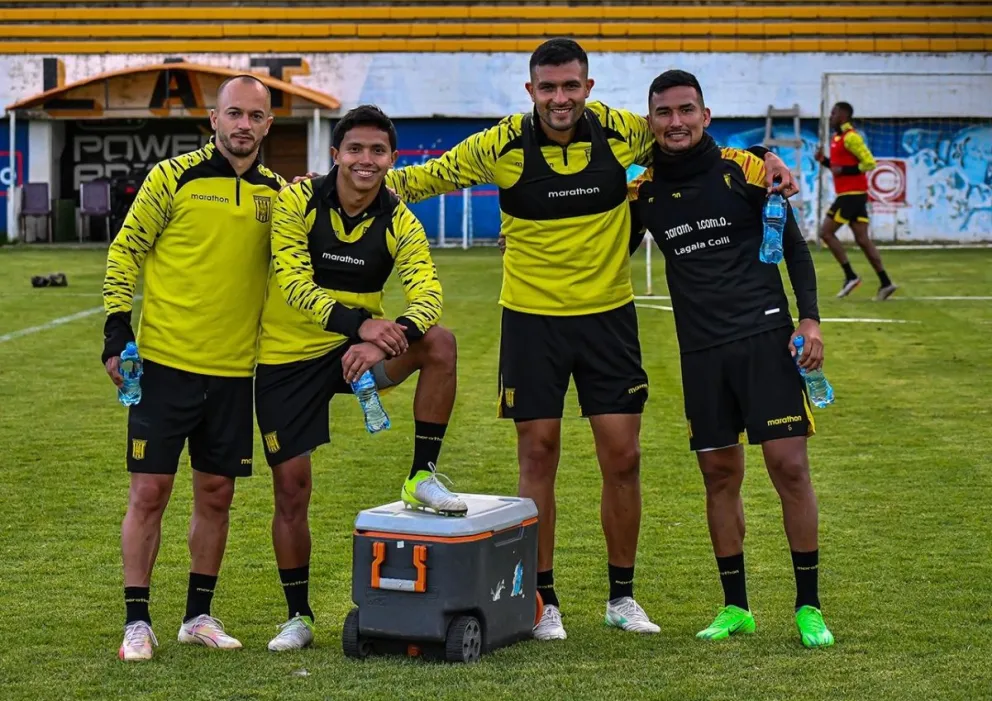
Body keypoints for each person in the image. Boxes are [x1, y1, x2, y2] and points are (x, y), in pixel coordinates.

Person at [383, 38, 797, 641]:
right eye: (548, 88)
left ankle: (621, 597)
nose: (560, 98)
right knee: (539, 456)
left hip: (609, 320)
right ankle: (542, 600)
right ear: (531, 92)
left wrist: (766, 155)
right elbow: (421, 180)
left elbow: (693, 143)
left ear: (589, 87)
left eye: (571, 86)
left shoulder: (623, 132)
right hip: (531, 322)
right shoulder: (498, 144)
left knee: (623, 458)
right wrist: (343, 176)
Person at [628, 70, 835, 648]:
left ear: (705, 115)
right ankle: (736, 606)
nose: (676, 121)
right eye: (664, 112)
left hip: (765, 342)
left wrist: (810, 319)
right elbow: (602, 245)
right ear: (651, 121)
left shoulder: (747, 168)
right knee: (719, 476)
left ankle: (808, 607)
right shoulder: (642, 191)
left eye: (686, 110)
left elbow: (793, 245)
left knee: (788, 468)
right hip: (700, 353)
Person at [255, 104, 465, 652]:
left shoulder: (399, 217)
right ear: (335, 155)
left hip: (356, 354)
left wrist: (390, 331)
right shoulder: (298, 201)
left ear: (392, 159)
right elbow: (295, 283)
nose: (365, 160)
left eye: (377, 151)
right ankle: (298, 616)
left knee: (439, 341)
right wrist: (362, 325)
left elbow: (428, 293)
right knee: (291, 490)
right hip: (286, 360)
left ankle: (422, 474)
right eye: (355, 149)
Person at [102, 75, 285, 661]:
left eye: (255, 117)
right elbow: (126, 249)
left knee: (216, 493)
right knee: (150, 491)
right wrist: (115, 329)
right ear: (213, 119)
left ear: (267, 124)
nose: (243, 126)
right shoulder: (171, 178)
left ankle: (197, 615)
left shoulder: (280, 195)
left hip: (234, 372)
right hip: (161, 365)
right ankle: (138, 621)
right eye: (234, 114)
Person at [815, 101, 898, 300]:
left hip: (851, 195)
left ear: (843, 116)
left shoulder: (851, 137)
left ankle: (850, 276)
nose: (831, 116)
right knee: (863, 240)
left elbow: (869, 162)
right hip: (853, 194)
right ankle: (886, 283)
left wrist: (846, 170)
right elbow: (838, 168)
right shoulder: (838, 138)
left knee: (825, 233)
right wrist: (824, 161)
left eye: (834, 113)